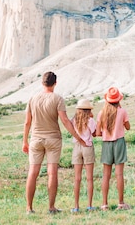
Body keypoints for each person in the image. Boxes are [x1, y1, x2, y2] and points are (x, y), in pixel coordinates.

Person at [21, 71, 86, 215]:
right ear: (55, 83)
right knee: (52, 173)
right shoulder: (58, 99)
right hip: (53, 140)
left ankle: (29, 208)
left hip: (36, 139)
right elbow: (64, 121)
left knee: (33, 173)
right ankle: (51, 207)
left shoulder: (32, 99)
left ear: (42, 83)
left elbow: (27, 122)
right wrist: (78, 137)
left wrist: (25, 141)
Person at [96, 86, 131, 210]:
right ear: (118, 100)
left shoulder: (101, 113)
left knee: (106, 175)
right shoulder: (122, 111)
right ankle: (121, 203)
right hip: (119, 142)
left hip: (106, 144)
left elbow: (98, 132)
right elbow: (128, 127)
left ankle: (104, 204)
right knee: (119, 174)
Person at [70, 99, 97, 213]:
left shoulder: (73, 120)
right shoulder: (90, 120)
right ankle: (89, 205)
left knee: (77, 179)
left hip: (77, 147)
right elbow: (95, 134)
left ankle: (76, 206)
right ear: (88, 110)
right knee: (89, 178)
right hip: (87, 147)